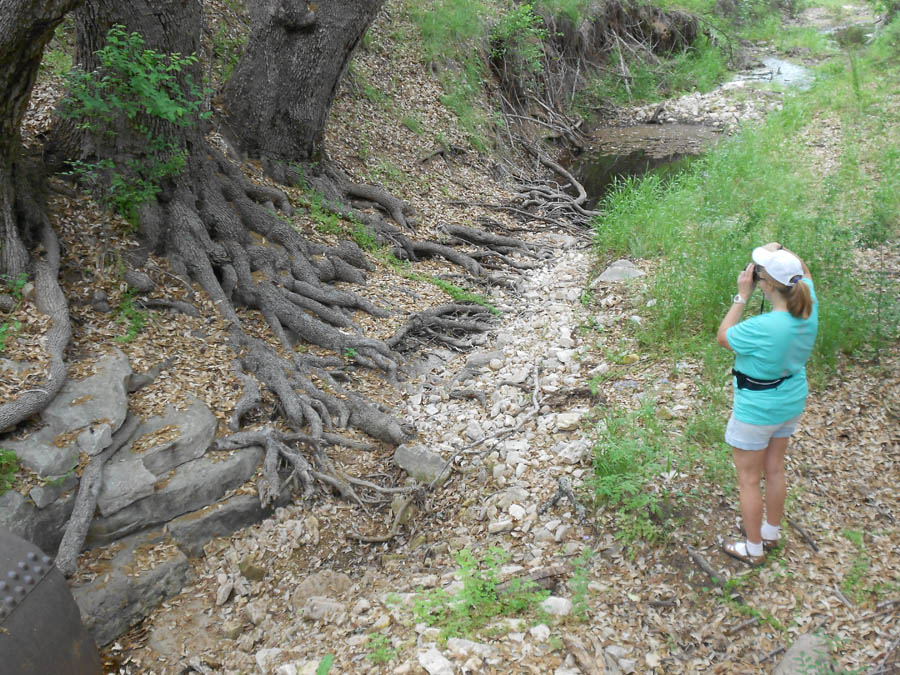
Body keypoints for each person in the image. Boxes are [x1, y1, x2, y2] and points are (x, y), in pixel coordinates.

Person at [716, 242, 818, 566]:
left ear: (768, 285)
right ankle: (770, 532)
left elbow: (723, 336)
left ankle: (753, 549)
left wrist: (741, 296)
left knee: (749, 479)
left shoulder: (763, 327)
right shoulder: (808, 304)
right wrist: (782, 251)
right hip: (790, 400)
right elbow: (805, 272)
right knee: (774, 468)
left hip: (757, 409)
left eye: (761, 274)